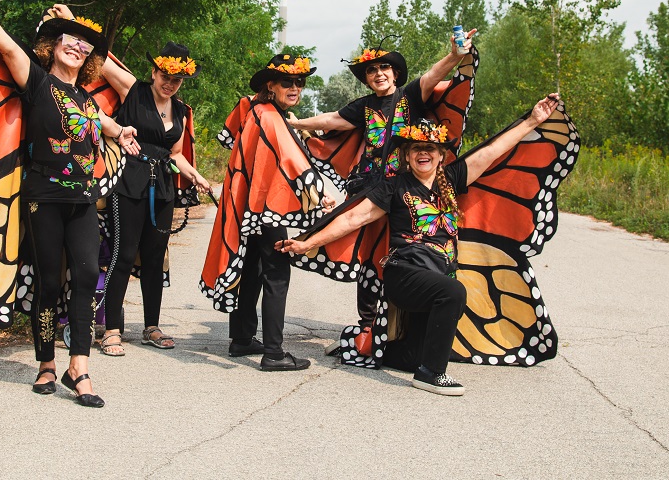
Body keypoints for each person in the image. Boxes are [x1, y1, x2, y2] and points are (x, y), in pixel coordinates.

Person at [0, 0, 139, 407]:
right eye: (70, 38)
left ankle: (79, 368)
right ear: (53, 45)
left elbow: (97, 119)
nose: (78, 46)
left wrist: (119, 129)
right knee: (50, 283)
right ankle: (47, 362)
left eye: (85, 44)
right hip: (43, 198)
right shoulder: (36, 81)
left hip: (84, 199)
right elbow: (7, 45)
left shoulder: (85, 97)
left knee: (86, 276)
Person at [278, 94, 561, 395]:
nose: (423, 153)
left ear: (440, 155)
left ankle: (366, 347)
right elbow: (352, 219)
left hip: (437, 275)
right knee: (454, 293)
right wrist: (305, 242)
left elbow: (490, 152)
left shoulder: (451, 180)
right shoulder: (394, 185)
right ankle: (431, 375)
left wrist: (533, 120)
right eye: (416, 149)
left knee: (412, 355)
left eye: (429, 148)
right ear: (407, 155)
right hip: (405, 273)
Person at [288, 32, 477, 332]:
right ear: (367, 79)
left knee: (405, 256)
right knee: (369, 258)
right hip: (370, 190)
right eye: (372, 71)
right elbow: (332, 120)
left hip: (406, 191)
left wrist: (455, 56)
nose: (378, 74)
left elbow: (432, 76)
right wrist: (296, 123)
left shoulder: (410, 96)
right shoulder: (363, 107)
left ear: (395, 73)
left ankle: (408, 326)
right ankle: (368, 325)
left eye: (384, 68)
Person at [201, 54, 334, 371]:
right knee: (277, 273)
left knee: (253, 269)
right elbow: (290, 157)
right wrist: (318, 191)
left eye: (299, 82)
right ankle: (274, 352)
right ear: (270, 86)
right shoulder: (270, 116)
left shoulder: (253, 109)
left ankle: (243, 338)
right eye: (287, 82)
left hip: (250, 204)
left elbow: (229, 138)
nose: (295, 88)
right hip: (264, 208)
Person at [97, 42, 211, 356]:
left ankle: (151, 326)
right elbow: (99, 59)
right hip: (129, 181)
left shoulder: (181, 111)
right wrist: (70, 23)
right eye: (165, 75)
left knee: (154, 258)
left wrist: (196, 177)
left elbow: (176, 155)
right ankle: (111, 330)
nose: (169, 82)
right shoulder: (132, 90)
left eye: (177, 79)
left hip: (162, 188)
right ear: (154, 71)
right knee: (123, 255)